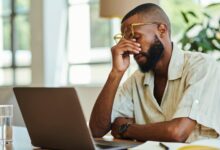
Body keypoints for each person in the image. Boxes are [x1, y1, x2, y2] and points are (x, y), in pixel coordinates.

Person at [89, 3, 220, 142]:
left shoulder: (202, 66)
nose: (132, 49)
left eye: (136, 37)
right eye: (126, 40)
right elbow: (96, 130)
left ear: (162, 30)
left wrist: (125, 128)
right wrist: (116, 73)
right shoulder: (136, 80)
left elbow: (176, 133)